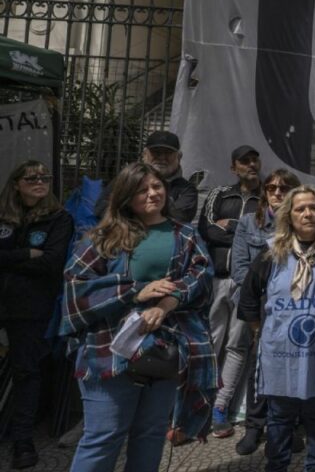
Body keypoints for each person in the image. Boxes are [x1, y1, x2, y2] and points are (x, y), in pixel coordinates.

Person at [61, 162, 216, 472]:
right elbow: (75, 290)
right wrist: (135, 292)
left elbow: (202, 274)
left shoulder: (185, 233)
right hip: (108, 351)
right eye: (142, 189)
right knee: (103, 437)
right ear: (126, 195)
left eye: (157, 186)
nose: (152, 193)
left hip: (165, 349)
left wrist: (167, 304)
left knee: (151, 434)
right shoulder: (102, 237)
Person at [237, 186, 315, 472]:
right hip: (280, 355)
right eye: (300, 209)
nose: (308, 213)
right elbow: (248, 297)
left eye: (314, 208)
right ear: (288, 216)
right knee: (279, 420)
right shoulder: (271, 254)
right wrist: (261, 331)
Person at [215, 170, 301, 450]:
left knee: (296, 368)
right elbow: (240, 270)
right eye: (271, 187)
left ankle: (291, 427)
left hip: (296, 308)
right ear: (264, 192)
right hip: (263, 308)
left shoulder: (303, 223)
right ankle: (254, 426)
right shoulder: (249, 223)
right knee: (260, 368)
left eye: (283, 188)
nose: (277, 193)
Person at [0, 160, 74, 469]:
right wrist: (26, 255)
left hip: (29, 308)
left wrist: (8, 259)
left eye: (44, 177)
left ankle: (22, 441)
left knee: (26, 372)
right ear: (16, 183)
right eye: (31, 178)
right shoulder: (4, 216)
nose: (39, 181)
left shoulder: (59, 218)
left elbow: (52, 263)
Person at [200, 144, 262, 429]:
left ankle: (221, 408)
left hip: (246, 284)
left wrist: (233, 226)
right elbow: (207, 230)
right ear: (233, 167)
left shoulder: (266, 198)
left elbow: (264, 239)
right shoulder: (218, 194)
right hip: (215, 278)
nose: (251, 165)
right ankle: (198, 406)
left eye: (254, 161)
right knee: (211, 342)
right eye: (244, 161)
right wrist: (246, 232)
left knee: (238, 345)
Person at [93, 130, 199, 223]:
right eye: (156, 152)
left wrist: (129, 211)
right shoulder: (125, 180)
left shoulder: (187, 190)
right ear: (144, 154)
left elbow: (178, 219)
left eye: (168, 153)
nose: (162, 158)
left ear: (179, 157)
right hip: (123, 236)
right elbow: (101, 210)